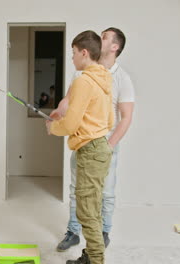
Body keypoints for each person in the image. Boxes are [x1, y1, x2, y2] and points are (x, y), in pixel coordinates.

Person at [55, 27, 135, 252]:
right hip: (83, 142)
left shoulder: (121, 78)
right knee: (76, 190)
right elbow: (68, 100)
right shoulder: (83, 72)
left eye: (105, 37)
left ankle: (102, 234)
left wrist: (108, 146)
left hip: (104, 144)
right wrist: (58, 113)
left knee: (105, 193)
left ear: (115, 47)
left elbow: (125, 117)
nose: (100, 39)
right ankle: (73, 231)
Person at [46, 30, 113, 264]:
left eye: (73, 53)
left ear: (84, 53)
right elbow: (110, 121)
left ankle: (96, 260)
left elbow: (71, 123)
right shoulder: (104, 79)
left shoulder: (83, 80)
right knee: (92, 208)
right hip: (101, 148)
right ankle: (91, 256)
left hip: (90, 151)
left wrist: (53, 127)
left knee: (86, 211)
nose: (72, 58)